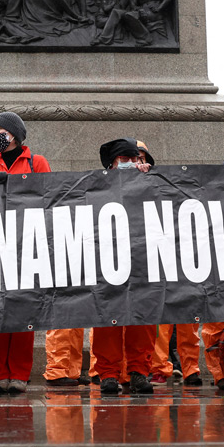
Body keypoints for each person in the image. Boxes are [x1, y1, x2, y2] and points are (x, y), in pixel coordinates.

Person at [0, 112, 51, 394]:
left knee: (23, 312)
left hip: (27, 245)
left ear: (14, 134)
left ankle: (19, 374)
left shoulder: (36, 162)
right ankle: (1, 374)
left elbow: (48, 195)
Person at [91, 137, 155, 394]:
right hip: (108, 260)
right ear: (111, 164)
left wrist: (147, 179)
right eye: (124, 159)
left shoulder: (147, 180)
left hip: (142, 259)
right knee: (108, 319)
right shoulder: (95, 186)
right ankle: (108, 373)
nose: (130, 163)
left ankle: (139, 371)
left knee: (143, 318)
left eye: (133, 159)